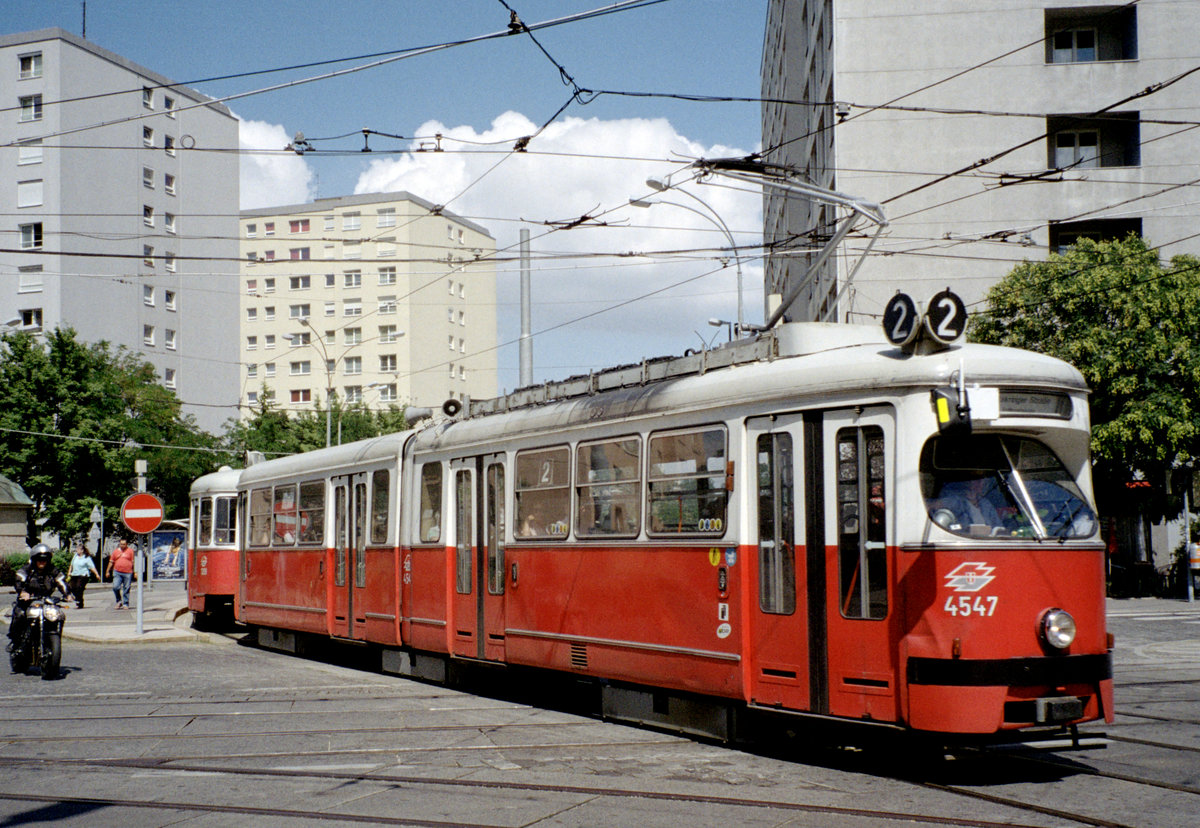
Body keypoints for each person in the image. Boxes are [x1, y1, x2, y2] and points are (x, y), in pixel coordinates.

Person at [7, 544, 69, 649]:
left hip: (46, 600)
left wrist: (67, 594)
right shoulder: (27, 569)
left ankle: (55, 637)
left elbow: (61, 581)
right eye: (39, 559)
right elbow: (19, 579)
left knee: (59, 615)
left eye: (45, 559)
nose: (42, 562)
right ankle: (15, 641)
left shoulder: (52, 570)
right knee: (20, 614)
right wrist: (22, 592)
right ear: (34, 559)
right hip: (28, 600)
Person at [933, 476, 1004, 533]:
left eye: (982, 480)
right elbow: (932, 505)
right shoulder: (955, 501)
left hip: (988, 543)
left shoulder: (986, 504)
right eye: (977, 480)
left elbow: (999, 528)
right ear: (967, 483)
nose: (980, 484)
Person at [106, 538, 135, 609]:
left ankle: (125, 603)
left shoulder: (130, 551)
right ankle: (118, 601)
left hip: (128, 572)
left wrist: (134, 572)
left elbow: (133, 562)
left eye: (124, 544)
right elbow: (111, 561)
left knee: (127, 588)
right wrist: (107, 571)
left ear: (126, 544)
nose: (122, 545)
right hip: (117, 572)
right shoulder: (115, 552)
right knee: (115, 587)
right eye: (121, 544)